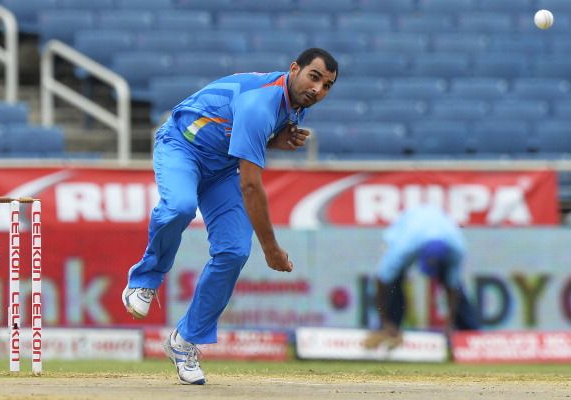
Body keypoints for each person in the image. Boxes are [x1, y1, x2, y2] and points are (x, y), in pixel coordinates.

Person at [122, 48, 338, 384]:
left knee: (234, 251)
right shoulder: (261, 104)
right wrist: (271, 249)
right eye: (314, 77)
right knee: (179, 207)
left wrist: (274, 140)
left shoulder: (295, 102)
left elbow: (235, 129)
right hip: (182, 145)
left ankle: (185, 342)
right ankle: (144, 280)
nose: (318, 89)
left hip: (221, 168)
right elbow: (250, 186)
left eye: (327, 86)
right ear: (294, 68)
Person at [364, 204, 480, 349]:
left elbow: (453, 286)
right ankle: (389, 328)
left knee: (456, 288)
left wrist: (449, 324)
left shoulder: (457, 249)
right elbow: (381, 281)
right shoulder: (404, 247)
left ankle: (469, 337)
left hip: (437, 229)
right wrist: (384, 320)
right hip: (406, 226)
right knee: (393, 283)